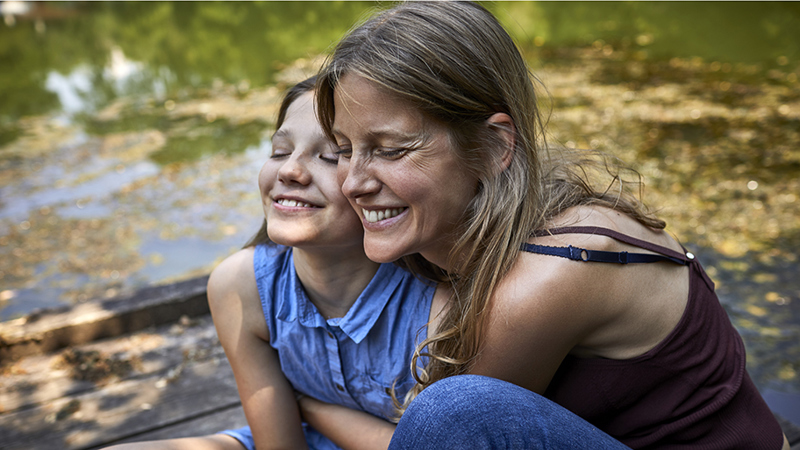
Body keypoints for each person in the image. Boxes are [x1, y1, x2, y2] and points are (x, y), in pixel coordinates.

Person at [309, 1, 790, 449]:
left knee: (450, 413)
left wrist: (306, 406)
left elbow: (431, 437)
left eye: (391, 150)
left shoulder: (544, 279)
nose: (352, 182)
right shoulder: (514, 212)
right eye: (342, 150)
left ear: (495, 146)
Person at [105, 77, 445, 450]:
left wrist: (311, 408)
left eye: (331, 156)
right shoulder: (241, 285)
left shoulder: (437, 305)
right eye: (280, 152)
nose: (290, 171)